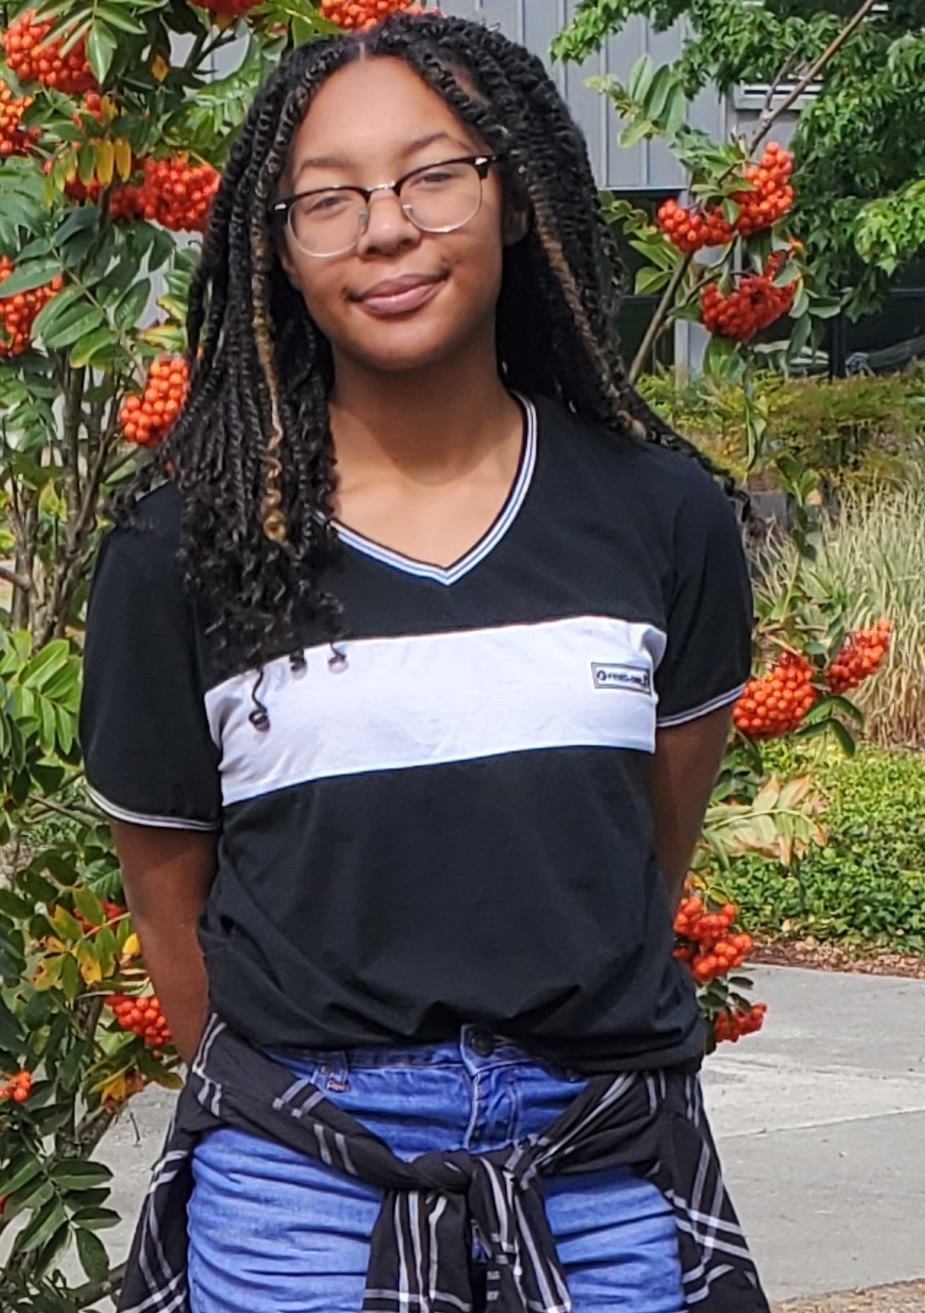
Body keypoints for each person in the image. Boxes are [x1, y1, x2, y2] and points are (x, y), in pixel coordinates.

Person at [79, 13, 768, 1313]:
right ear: (277, 250)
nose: (384, 229)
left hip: (602, 1158)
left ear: (513, 198)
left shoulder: (661, 515)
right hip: (302, 1177)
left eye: (431, 175)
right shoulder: (181, 546)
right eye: (326, 201)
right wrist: (312, 1098)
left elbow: (640, 849)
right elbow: (172, 907)